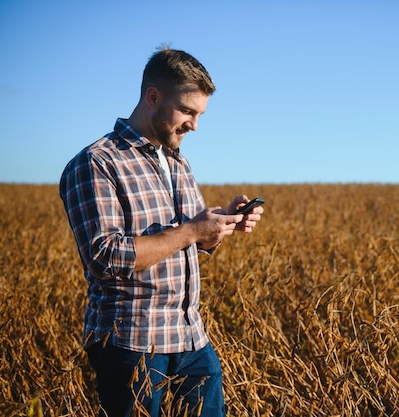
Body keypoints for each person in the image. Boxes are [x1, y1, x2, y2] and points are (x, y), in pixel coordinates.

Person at [59, 47, 263, 417]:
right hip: (130, 345)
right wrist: (190, 231)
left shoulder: (176, 160)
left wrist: (220, 225)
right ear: (153, 97)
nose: (194, 125)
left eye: (199, 114)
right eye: (187, 111)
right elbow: (104, 257)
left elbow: (194, 242)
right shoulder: (96, 163)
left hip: (190, 338)